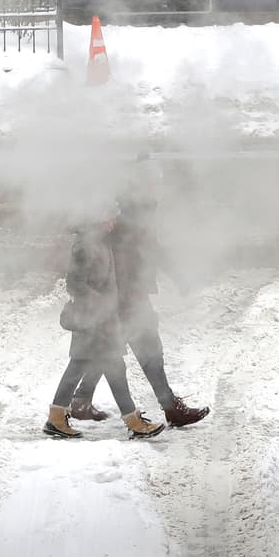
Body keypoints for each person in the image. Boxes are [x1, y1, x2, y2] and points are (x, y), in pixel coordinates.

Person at [69, 161, 210, 428]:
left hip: (129, 289)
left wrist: (177, 274)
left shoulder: (142, 206)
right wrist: (108, 289)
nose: (160, 187)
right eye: (156, 182)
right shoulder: (127, 210)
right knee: (145, 348)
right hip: (125, 292)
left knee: (112, 348)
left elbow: (151, 247)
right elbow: (112, 246)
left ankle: (81, 400)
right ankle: (169, 408)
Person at [45, 210, 165, 440]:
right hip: (93, 319)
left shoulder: (100, 242)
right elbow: (74, 283)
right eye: (109, 217)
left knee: (86, 366)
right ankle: (133, 421)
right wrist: (100, 304)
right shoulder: (85, 246)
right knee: (110, 367)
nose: (113, 222)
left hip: (100, 318)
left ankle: (57, 417)